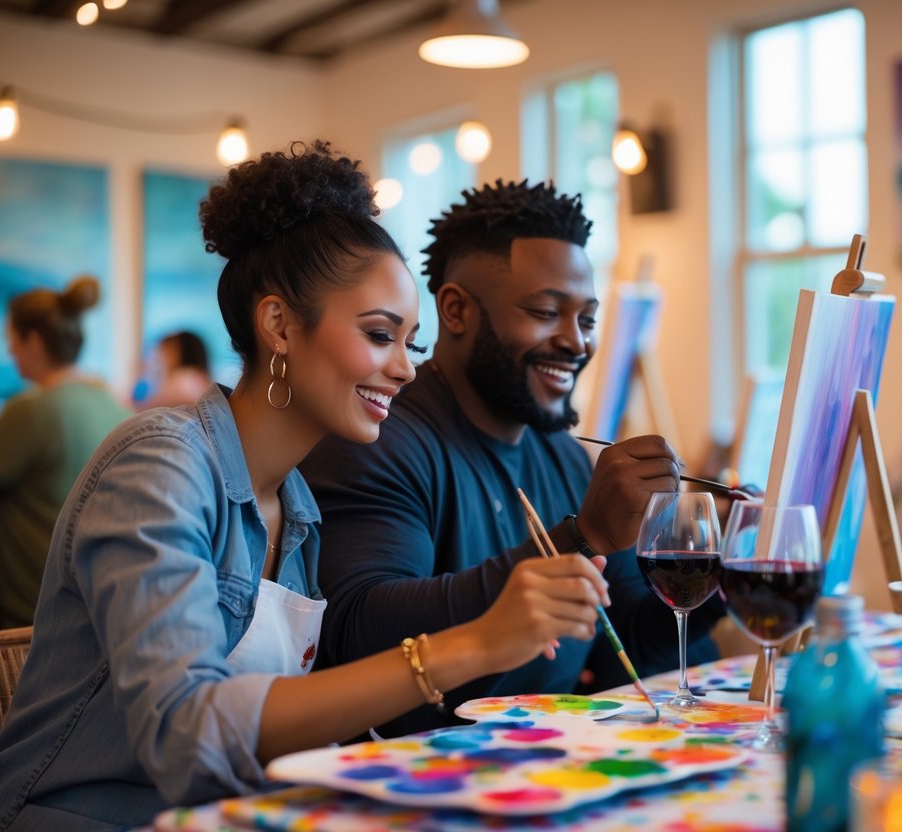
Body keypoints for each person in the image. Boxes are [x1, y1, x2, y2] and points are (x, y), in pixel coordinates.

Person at [0, 143, 609, 832]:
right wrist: (466, 646)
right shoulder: (158, 466)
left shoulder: (295, 507)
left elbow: (277, 730)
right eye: (380, 335)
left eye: (409, 343)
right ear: (278, 326)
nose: (405, 370)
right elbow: (186, 732)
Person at [301, 180, 725, 738]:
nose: (576, 343)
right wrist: (584, 535)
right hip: (419, 776)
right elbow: (359, 627)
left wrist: (730, 575)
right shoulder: (379, 440)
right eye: (547, 311)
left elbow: (631, 635)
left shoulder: (565, 456)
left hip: (541, 765)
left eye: (587, 320)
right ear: (455, 310)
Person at [0, 275, 130, 629]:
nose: (9, 349)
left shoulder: (31, 410)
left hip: (35, 618)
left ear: (33, 340)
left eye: (11, 338)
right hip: (99, 610)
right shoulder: (112, 402)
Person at [137, 330, 214, 409]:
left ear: (181, 352)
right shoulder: (198, 379)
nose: (160, 357)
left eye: (167, 350)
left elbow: (145, 409)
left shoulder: (184, 381)